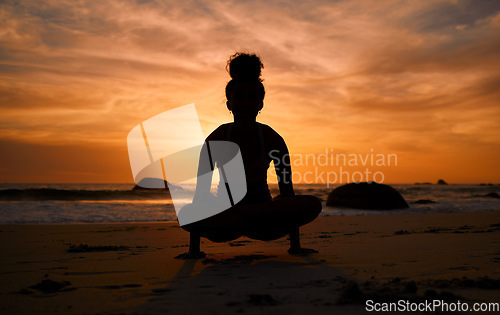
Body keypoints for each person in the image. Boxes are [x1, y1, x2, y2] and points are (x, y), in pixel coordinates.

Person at [176, 53, 322, 259]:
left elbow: (287, 193)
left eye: (252, 98)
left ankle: (245, 214)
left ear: (260, 104)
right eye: (239, 98)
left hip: (264, 221)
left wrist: (295, 246)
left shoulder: (272, 139)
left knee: (313, 203)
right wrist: (194, 250)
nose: (245, 103)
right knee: (186, 214)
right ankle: (243, 215)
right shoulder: (217, 138)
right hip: (227, 223)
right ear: (229, 104)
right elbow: (201, 194)